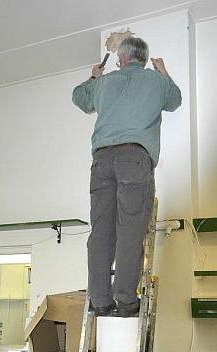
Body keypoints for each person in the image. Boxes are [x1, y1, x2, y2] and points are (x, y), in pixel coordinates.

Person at [72, 37, 181, 317]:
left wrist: (93, 76)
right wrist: (163, 72)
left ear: (120, 59)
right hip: (135, 158)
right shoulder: (156, 82)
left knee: (101, 232)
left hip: (102, 161)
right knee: (130, 231)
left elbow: (80, 99)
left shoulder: (105, 83)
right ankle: (126, 300)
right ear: (144, 59)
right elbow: (175, 101)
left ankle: (99, 300)